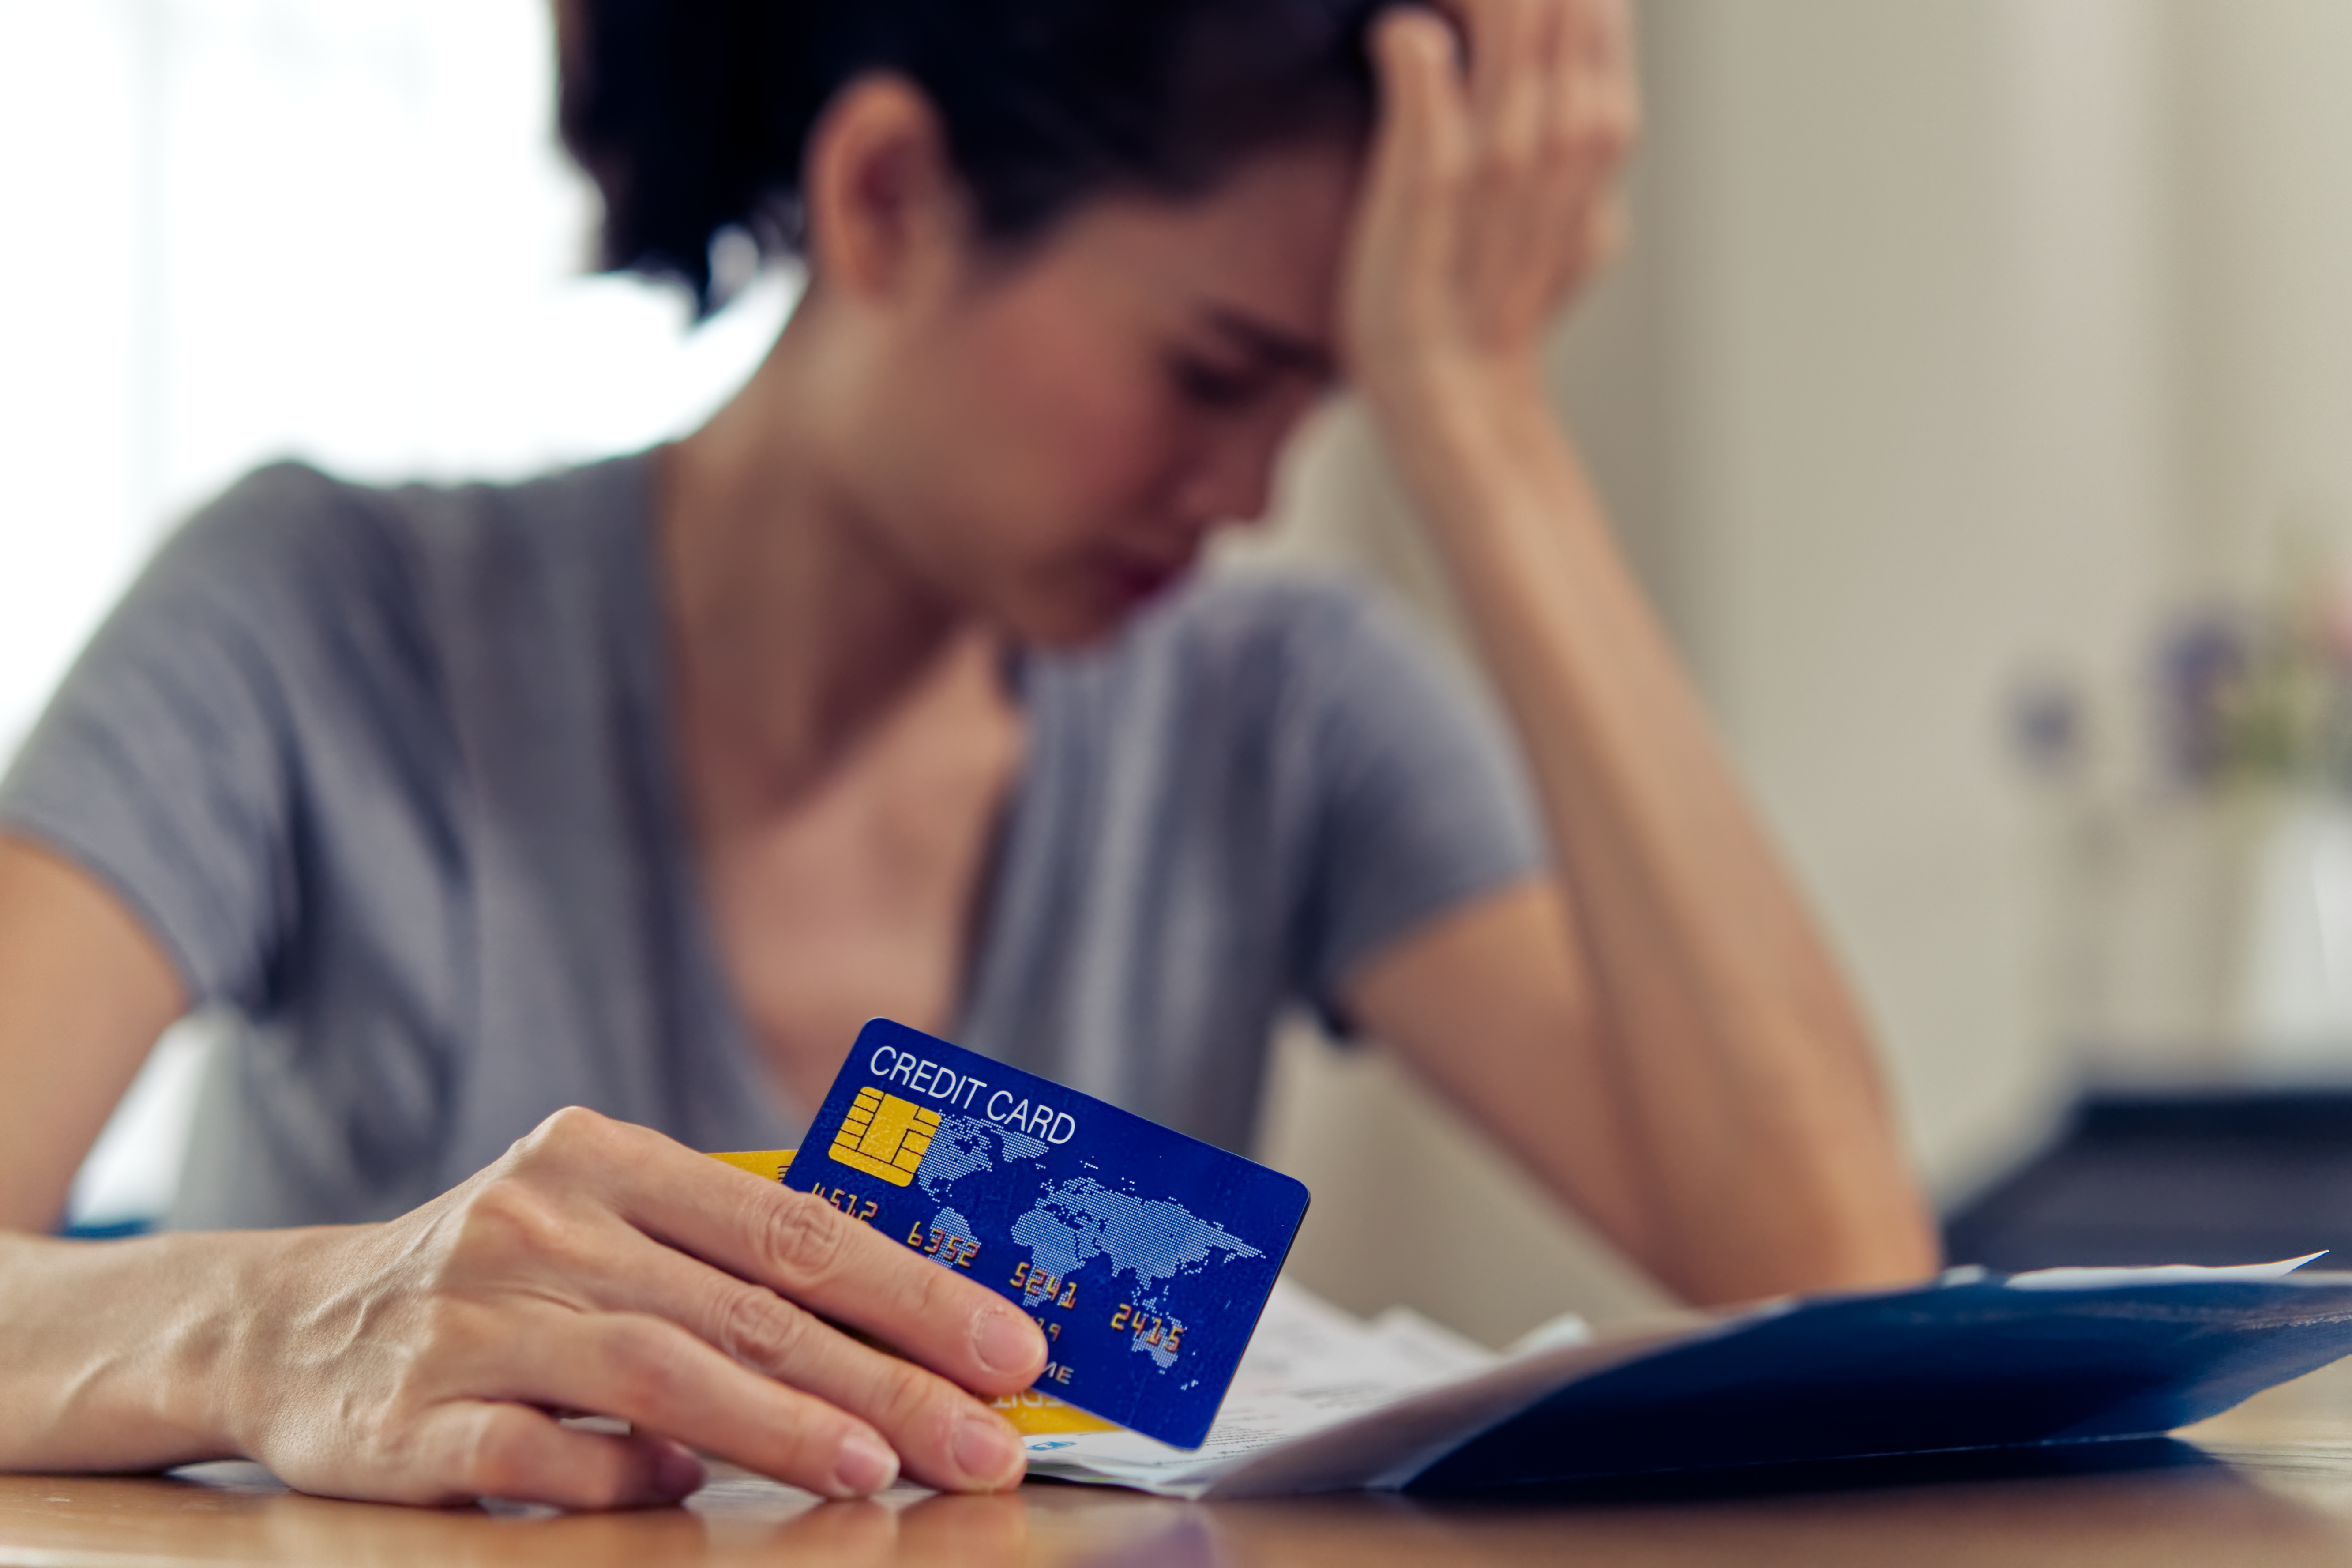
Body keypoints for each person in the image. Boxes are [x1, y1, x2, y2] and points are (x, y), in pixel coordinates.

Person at [0, 0, 1936, 1512]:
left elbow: (1841, 1278)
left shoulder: (1285, 699)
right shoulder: (319, 617)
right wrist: (293, 1323)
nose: (1257, 497)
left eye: (1335, 396)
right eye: (1213, 372)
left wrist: (1483, 422)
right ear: (890, 197)